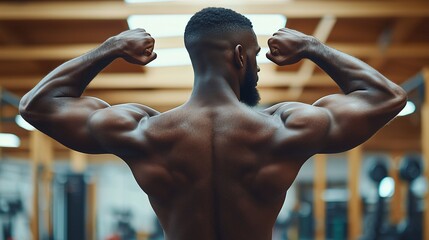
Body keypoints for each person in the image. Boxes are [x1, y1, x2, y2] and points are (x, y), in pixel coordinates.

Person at [19, 7, 406, 240]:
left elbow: (37, 105)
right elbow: (387, 97)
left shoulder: (141, 131)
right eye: (254, 57)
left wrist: (111, 48)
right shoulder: (287, 128)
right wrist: (312, 47)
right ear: (239, 56)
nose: (257, 67)